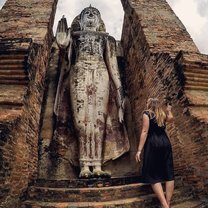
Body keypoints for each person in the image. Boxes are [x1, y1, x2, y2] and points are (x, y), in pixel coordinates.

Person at [55, 5, 129, 179]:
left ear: (99, 20)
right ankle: (84, 166)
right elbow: (65, 50)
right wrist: (63, 40)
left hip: (101, 72)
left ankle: (97, 165)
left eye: (94, 13)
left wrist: (119, 92)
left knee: (98, 122)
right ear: (80, 20)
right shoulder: (75, 37)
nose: (90, 14)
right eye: (86, 13)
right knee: (81, 122)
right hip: (79, 71)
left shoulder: (106, 40)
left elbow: (113, 66)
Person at [135, 98, 174, 208]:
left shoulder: (147, 113)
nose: (146, 103)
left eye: (147, 101)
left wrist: (139, 150)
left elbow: (144, 131)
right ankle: (168, 203)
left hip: (153, 144)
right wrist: (169, 110)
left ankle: (164, 205)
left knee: (153, 174)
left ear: (150, 104)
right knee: (169, 172)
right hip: (165, 142)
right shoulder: (161, 114)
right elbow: (171, 119)